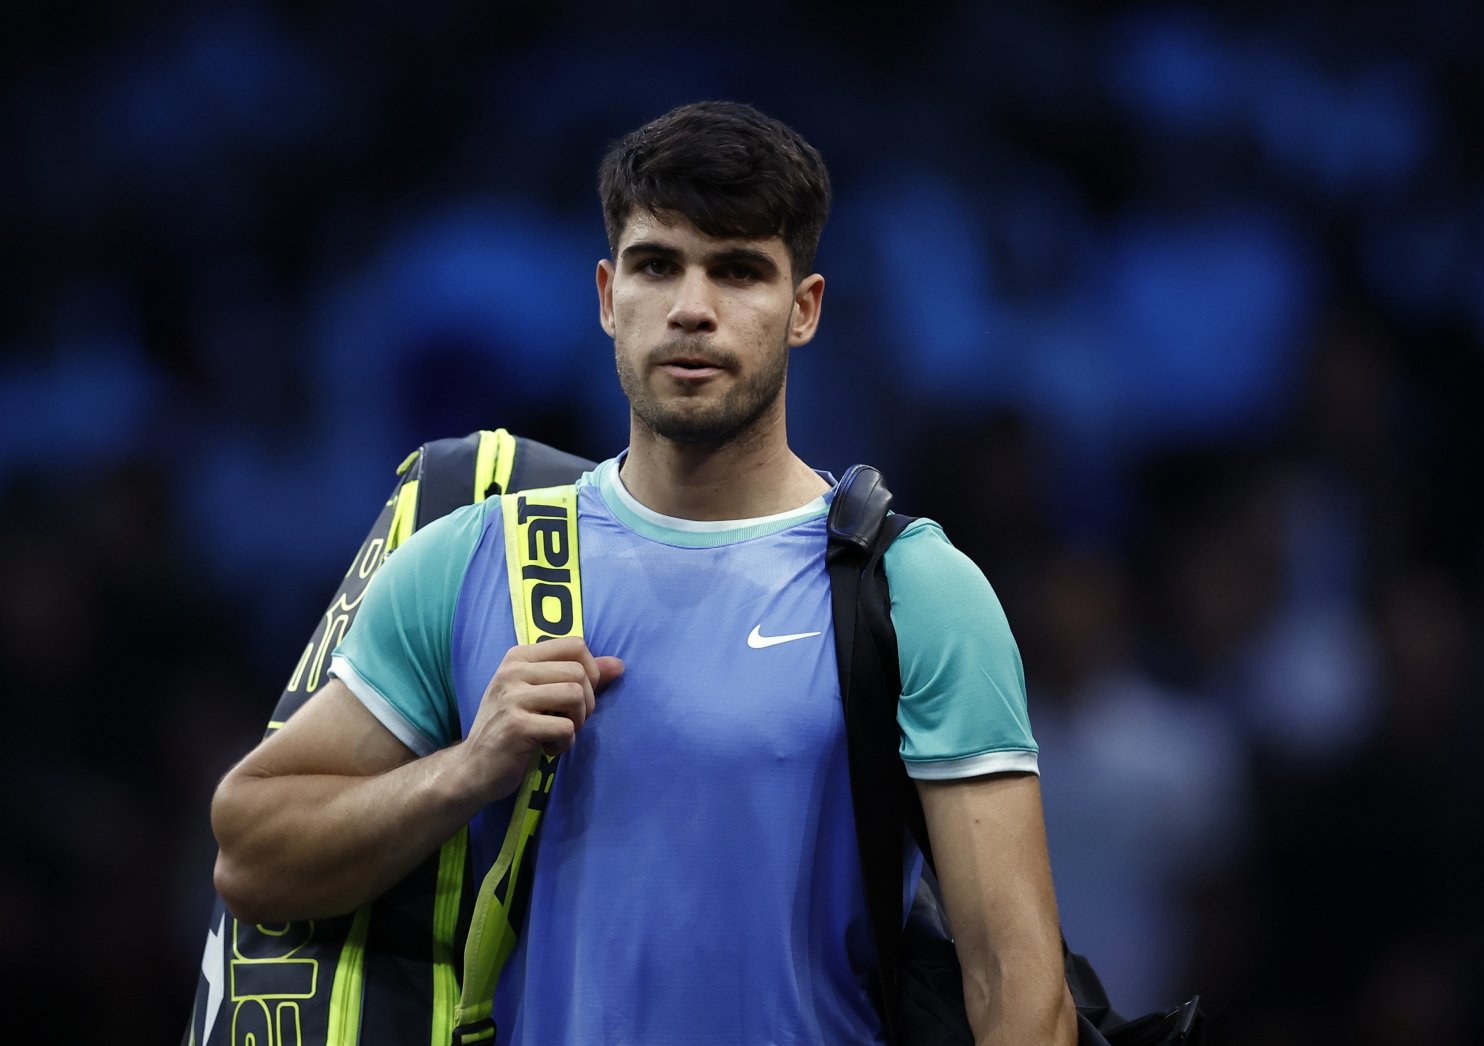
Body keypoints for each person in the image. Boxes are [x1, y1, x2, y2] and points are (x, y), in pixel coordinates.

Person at [211, 100, 1074, 1045]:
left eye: (739, 270)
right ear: (606, 296)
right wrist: (464, 772)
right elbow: (253, 855)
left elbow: (1018, 989)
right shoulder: (469, 559)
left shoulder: (917, 591)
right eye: (657, 264)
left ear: (805, 310)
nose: (692, 308)